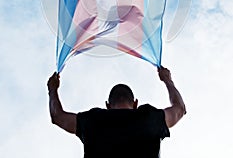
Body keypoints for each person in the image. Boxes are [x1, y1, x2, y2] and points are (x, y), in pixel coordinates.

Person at [47, 66, 186, 158]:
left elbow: (57, 116)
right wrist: (167, 79)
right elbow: (179, 109)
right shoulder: (149, 117)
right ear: (135, 103)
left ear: (108, 106)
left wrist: (52, 89)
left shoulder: (94, 119)